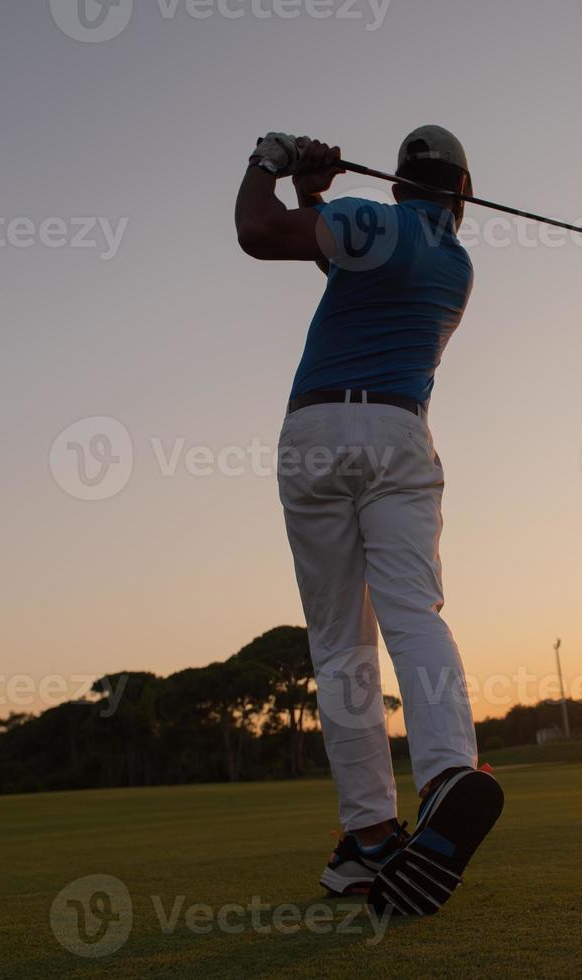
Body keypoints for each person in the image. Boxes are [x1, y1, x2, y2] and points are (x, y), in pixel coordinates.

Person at [234, 126, 503, 917]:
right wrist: (314, 195)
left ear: (396, 184)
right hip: (397, 434)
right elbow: (337, 249)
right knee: (411, 612)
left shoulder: (368, 220)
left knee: (338, 641)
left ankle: (370, 838)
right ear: (461, 193)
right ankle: (450, 772)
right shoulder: (456, 265)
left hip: (314, 434)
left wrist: (272, 163)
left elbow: (257, 232)